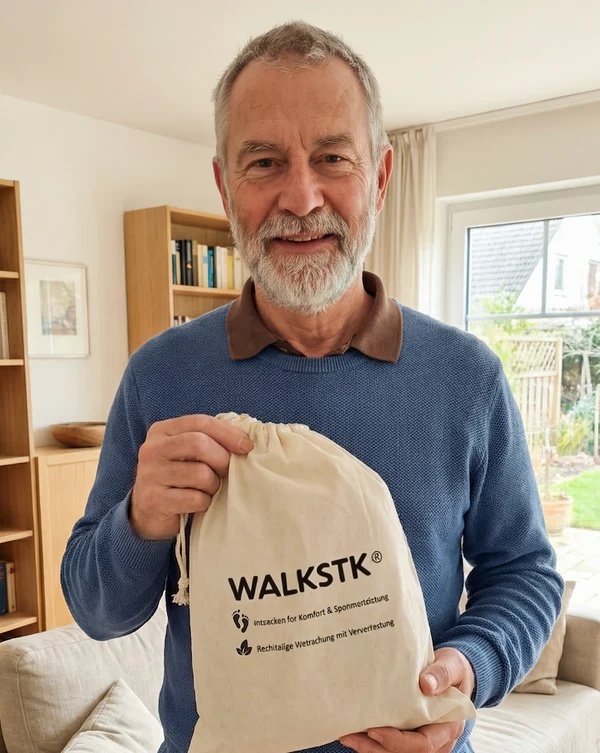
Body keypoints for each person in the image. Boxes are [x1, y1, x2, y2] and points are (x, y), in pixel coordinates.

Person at [61, 20, 563, 753]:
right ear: (225, 186)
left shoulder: (467, 379)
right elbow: (96, 610)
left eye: (332, 157)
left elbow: (523, 572)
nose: (300, 198)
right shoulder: (160, 376)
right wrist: (140, 519)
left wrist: (471, 665)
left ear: (380, 178)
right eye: (264, 162)